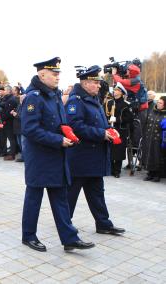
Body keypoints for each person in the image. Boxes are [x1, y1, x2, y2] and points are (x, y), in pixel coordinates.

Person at [21, 57, 94, 252]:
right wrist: (57, 140)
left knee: (60, 197)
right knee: (34, 198)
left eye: (58, 74)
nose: (57, 77)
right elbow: (30, 129)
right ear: (41, 74)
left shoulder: (53, 95)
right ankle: (28, 236)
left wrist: (67, 134)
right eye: (54, 74)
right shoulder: (34, 97)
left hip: (57, 155)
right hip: (39, 157)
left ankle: (69, 238)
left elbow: (60, 123)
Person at [65, 65, 126, 236]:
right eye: (95, 82)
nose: (99, 86)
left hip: (95, 157)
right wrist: (101, 134)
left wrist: (109, 130)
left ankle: (103, 224)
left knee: (97, 193)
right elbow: (75, 126)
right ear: (85, 83)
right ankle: (64, 224)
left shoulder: (94, 99)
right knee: (71, 195)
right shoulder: (76, 101)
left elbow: (100, 123)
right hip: (81, 157)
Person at [105, 82, 134, 177]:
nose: (114, 92)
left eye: (117, 90)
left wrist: (117, 119)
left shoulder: (126, 104)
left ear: (121, 92)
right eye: (114, 90)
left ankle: (117, 171)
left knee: (119, 151)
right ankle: (110, 168)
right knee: (110, 149)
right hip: (110, 129)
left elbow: (130, 118)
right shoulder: (109, 102)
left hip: (121, 130)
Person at [141, 96, 166, 182]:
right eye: (158, 102)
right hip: (149, 138)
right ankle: (150, 173)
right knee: (149, 155)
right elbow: (146, 123)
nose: (158, 104)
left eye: (160, 103)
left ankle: (157, 174)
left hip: (159, 139)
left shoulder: (164, 114)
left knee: (157, 156)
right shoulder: (152, 111)